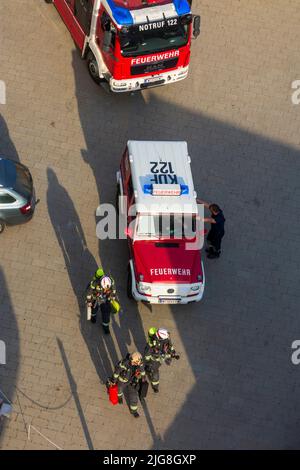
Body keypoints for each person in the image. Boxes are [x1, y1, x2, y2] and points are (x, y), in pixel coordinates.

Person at [110, 352, 146, 418]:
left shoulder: (139, 362)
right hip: (122, 380)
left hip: (132, 381)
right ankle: (119, 397)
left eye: (137, 363)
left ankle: (134, 411)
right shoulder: (124, 363)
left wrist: (143, 378)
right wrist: (113, 381)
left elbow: (142, 371)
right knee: (119, 389)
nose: (137, 364)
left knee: (134, 396)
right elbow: (117, 372)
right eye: (136, 363)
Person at [144, 328, 180, 393]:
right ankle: (155, 387)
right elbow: (147, 354)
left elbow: (170, 346)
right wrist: (148, 361)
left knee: (167, 358)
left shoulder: (166, 339)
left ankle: (149, 367)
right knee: (155, 374)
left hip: (161, 356)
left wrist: (173, 353)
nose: (167, 338)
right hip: (154, 361)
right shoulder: (152, 344)